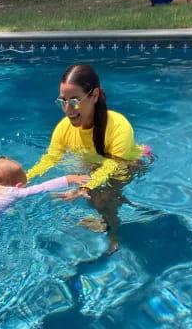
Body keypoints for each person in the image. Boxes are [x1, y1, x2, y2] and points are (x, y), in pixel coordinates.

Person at [26, 64, 152, 254]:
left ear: (94, 95)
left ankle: (114, 231)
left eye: (74, 101)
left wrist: (84, 188)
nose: (68, 109)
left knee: (100, 198)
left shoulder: (118, 125)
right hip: (95, 163)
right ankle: (104, 214)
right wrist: (23, 180)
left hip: (128, 164)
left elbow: (113, 164)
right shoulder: (64, 127)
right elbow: (50, 159)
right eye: (63, 101)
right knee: (86, 185)